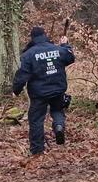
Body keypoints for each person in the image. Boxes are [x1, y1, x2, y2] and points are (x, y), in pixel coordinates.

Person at [13, 26, 76, 155]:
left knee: (36, 120)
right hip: (58, 90)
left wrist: (16, 90)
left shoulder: (28, 55)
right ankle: (58, 127)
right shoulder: (58, 49)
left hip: (39, 94)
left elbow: (22, 75)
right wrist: (65, 45)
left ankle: (37, 150)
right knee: (57, 110)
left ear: (32, 38)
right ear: (45, 35)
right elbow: (70, 58)